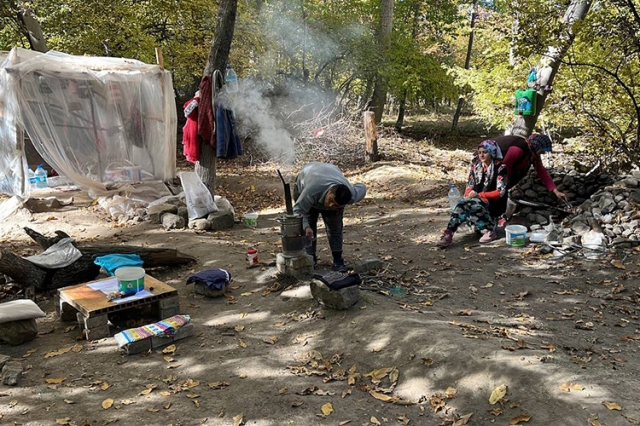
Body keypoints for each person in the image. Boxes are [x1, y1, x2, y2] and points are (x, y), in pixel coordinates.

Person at [292, 162, 367, 271]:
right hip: (307, 178)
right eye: (331, 200)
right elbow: (298, 210)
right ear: (330, 191)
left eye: (336, 204)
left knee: (335, 227)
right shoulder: (311, 191)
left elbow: (362, 187)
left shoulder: (351, 194)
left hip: (331, 171)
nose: (331, 205)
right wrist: (305, 226)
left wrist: (341, 206)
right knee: (308, 225)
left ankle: (338, 260)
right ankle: (310, 258)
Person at [437, 140, 508, 248]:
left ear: (492, 153)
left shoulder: (500, 168)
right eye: (480, 152)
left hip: (494, 203)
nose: (481, 155)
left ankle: (489, 230)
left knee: (470, 204)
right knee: (464, 203)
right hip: (476, 200)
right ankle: (449, 233)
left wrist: (480, 195)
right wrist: (470, 194)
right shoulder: (476, 165)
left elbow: (500, 192)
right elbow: (469, 185)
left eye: (485, 152)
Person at [495, 134, 567, 220]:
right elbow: (506, 167)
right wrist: (505, 184)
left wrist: (556, 191)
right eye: (542, 150)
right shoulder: (518, 149)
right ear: (536, 146)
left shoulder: (533, 154)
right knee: (496, 191)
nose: (543, 153)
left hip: (503, 167)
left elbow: (542, 172)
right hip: (491, 162)